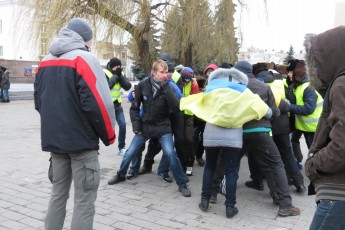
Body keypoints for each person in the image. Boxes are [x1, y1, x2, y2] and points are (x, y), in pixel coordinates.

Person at [34, 18, 116, 230]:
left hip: (55, 143)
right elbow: (99, 104)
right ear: (87, 40)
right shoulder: (85, 59)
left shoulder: (45, 61)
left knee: (58, 194)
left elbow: (38, 101)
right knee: (84, 200)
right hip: (81, 145)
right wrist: (109, 136)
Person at [180, 67, 271, 218]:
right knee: (231, 171)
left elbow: (195, 102)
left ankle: (204, 201)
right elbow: (266, 110)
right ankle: (230, 207)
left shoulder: (211, 89)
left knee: (209, 167)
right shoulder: (244, 91)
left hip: (211, 135)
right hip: (233, 137)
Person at [107, 59, 191, 197]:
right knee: (130, 152)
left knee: (170, 153)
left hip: (163, 127)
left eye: (166, 72)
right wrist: (136, 125)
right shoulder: (142, 85)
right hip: (145, 126)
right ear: (153, 72)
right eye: (161, 72)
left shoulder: (169, 86)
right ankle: (121, 174)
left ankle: (182, 184)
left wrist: (167, 88)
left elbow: (177, 108)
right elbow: (134, 108)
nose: (165, 75)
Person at [235, 60, 301, 217]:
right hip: (262, 131)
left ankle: (210, 195)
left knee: (228, 163)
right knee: (275, 164)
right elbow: (275, 112)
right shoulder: (265, 87)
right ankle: (284, 203)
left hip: (241, 132)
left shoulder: (237, 89)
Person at [304, 26, 345, 230]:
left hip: (338, 192)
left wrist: (313, 163)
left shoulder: (341, 84)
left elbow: (342, 145)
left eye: (315, 61)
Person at [104, 57, 132, 155]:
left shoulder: (120, 73)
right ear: (111, 66)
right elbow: (106, 86)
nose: (118, 68)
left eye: (119, 66)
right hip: (106, 105)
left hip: (117, 104)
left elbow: (128, 86)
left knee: (123, 125)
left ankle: (122, 147)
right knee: (102, 126)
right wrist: (116, 76)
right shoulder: (105, 72)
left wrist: (120, 76)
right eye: (116, 66)